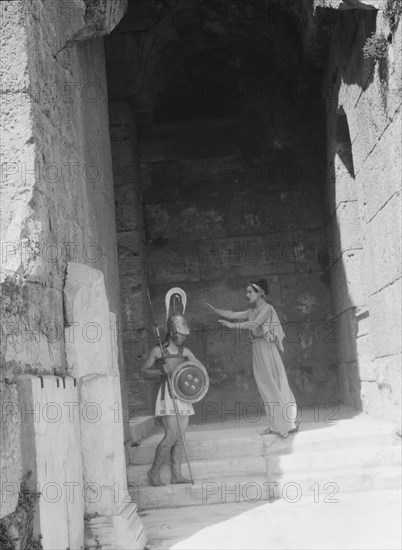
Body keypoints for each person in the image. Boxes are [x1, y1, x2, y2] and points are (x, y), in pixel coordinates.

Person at [204, 279, 299, 438]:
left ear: (260, 292)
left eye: (250, 292)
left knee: (274, 385)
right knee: (264, 387)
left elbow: (254, 324)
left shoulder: (268, 309)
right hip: (257, 349)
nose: (246, 295)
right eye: (246, 292)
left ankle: (285, 424)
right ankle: (274, 423)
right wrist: (215, 310)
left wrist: (231, 326)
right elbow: (233, 314)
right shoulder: (251, 311)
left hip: (267, 348)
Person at [142, 312, 201, 486]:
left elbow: (200, 368)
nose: (183, 338)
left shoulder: (186, 352)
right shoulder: (158, 351)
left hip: (182, 395)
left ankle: (176, 474)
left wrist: (189, 368)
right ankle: (153, 472)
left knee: (181, 437)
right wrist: (161, 371)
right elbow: (143, 371)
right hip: (167, 395)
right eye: (181, 335)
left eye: (185, 335)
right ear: (173, 332)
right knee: (170, 436)